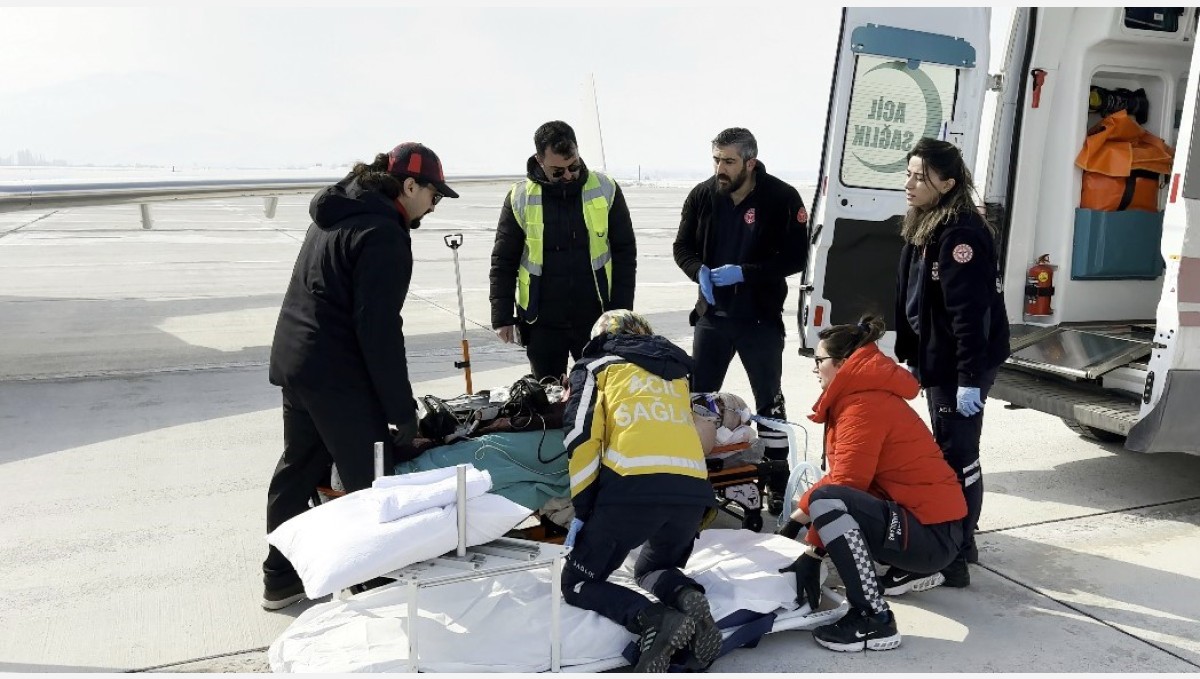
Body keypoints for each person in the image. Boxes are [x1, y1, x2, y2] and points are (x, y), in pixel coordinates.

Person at [262, 142, 458, 610]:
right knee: (373, 484)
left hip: (298, 361)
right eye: (433, 195)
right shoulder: (384, 233)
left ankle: (280, 577)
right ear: (410, 186)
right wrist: (400, 413)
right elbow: (379, 330)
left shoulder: (339, 211)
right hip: (336, 374)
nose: (433, 206)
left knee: (300, 467)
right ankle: (374, 591)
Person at [776, 316, 967, 652]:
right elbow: (848, 481)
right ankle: (903, 574)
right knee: (827, 499)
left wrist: (811, 550)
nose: (814, 369)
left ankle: (873, 618)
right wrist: (798, 524)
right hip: (934, 527)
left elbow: (845, 487)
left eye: (818, 361)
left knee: (828, 501)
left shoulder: (863, 406)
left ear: (843, 364)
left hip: (933, 538)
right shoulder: (862, 396)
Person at [561, 310, 721, 672]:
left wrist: (585, 510)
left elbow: (581, 437)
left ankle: (652, 618)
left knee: (577, 583)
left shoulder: (595, 367)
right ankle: (688, 598)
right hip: (692, 492)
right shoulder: (675, 373)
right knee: (653, 566)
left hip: (633, 489)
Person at [889, 137, 1011, 589]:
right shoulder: (926, 224)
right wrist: (913, 355)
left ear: (948, 184)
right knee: (951, 453)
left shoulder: (961, 234)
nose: (911, 182)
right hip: (939, 360)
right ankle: (961, 542)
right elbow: (914, 298)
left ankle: (955, 555)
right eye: (909, 172)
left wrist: (968, 380)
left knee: (959, 457)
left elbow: (968, 316)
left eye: (922, 176)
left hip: (963, 364)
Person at [672, 127, 809, 512]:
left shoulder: (782, 198)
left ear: (750, 162)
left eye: (728, 161)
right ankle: (690, 477)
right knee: (699, 401)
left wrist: (746, 272)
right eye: (716, 159)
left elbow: (796, 258)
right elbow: (681, 246)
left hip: (760, 321)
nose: (720, 168)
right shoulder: (702, 196)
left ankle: (779, 483)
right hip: (713, 318)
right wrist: (697, 269)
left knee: (770, 404)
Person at [490, 120, 637, 382]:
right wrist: (502, 317)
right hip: (542, 322)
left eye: (574, 167)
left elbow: (625, 254)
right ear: (539, 160)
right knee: (548, 397)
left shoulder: (605, 189)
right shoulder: (520, 197)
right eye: (558, 171)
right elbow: (504, 261)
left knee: (600, 393)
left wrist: (620, 313)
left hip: (595, 318)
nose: (568, 176)